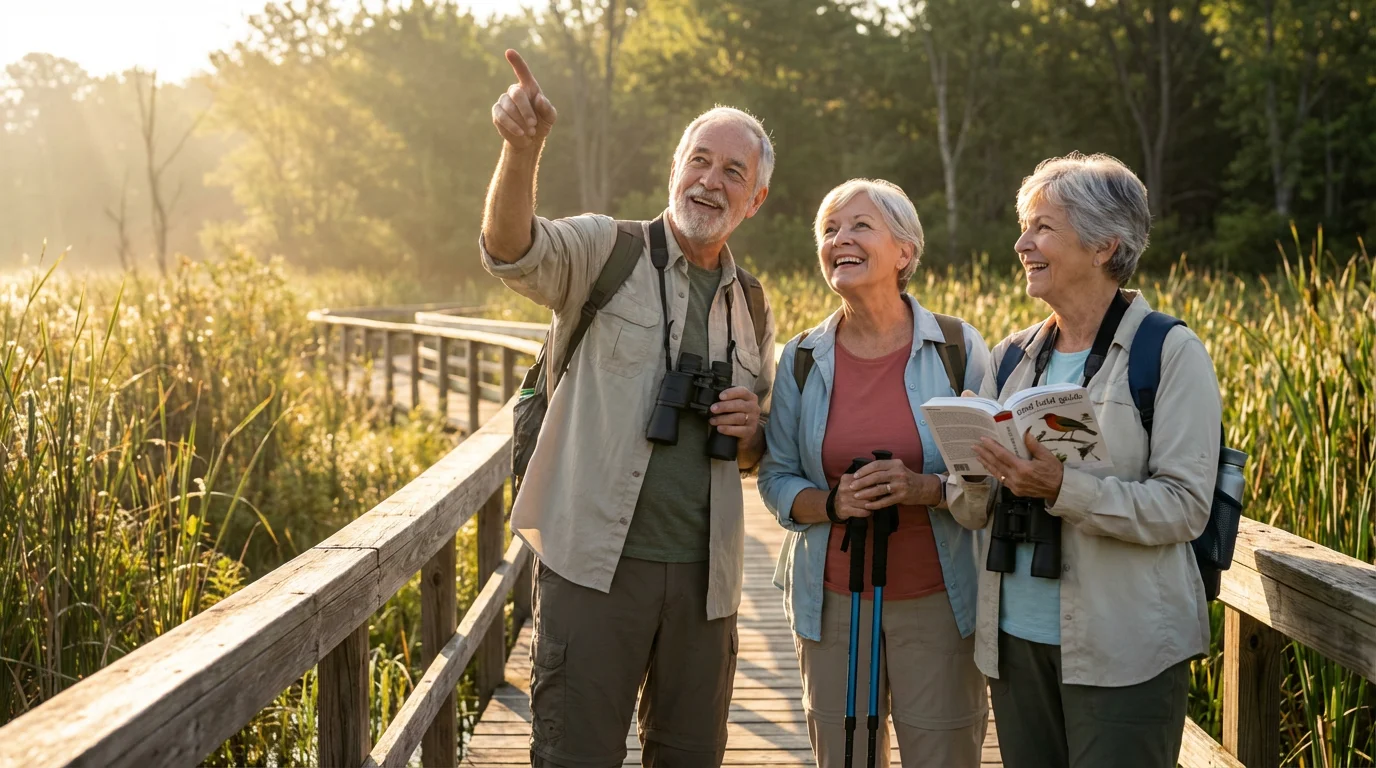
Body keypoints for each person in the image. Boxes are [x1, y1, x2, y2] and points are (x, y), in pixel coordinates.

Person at [481, 49, 777, 767]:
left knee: (688, 755)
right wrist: (522, 152)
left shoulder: (753, 303)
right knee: (574, 752)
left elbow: (750, 452)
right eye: (700, 160)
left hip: (706, 585)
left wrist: (751, 431)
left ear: (755, 199)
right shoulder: (604, 250)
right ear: (676, 168)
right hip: (592, 567)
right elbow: (510, 251)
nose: (711, 180)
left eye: (733, 172)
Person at [948, 152, 1222, 768]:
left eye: (1042, 227)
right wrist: (969, 462)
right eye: (1025, 227)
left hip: (1124, 649)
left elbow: (1184, 508)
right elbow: (972, 511)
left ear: (1105, 245)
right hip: (1014, 641)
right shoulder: (1012, 357)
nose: (1022, 244)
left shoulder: (1169, 353)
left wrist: (1060, 487)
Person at [758, 179, 990, 767]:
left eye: (860, 225)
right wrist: (833, 503)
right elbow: (776, 477)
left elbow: (991, 480)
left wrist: (926, 489)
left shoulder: (957, 348)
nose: (841, 239)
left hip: (939, 601)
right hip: (831, 601)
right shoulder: (803, 358)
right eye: (830, 230)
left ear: (905, 251)